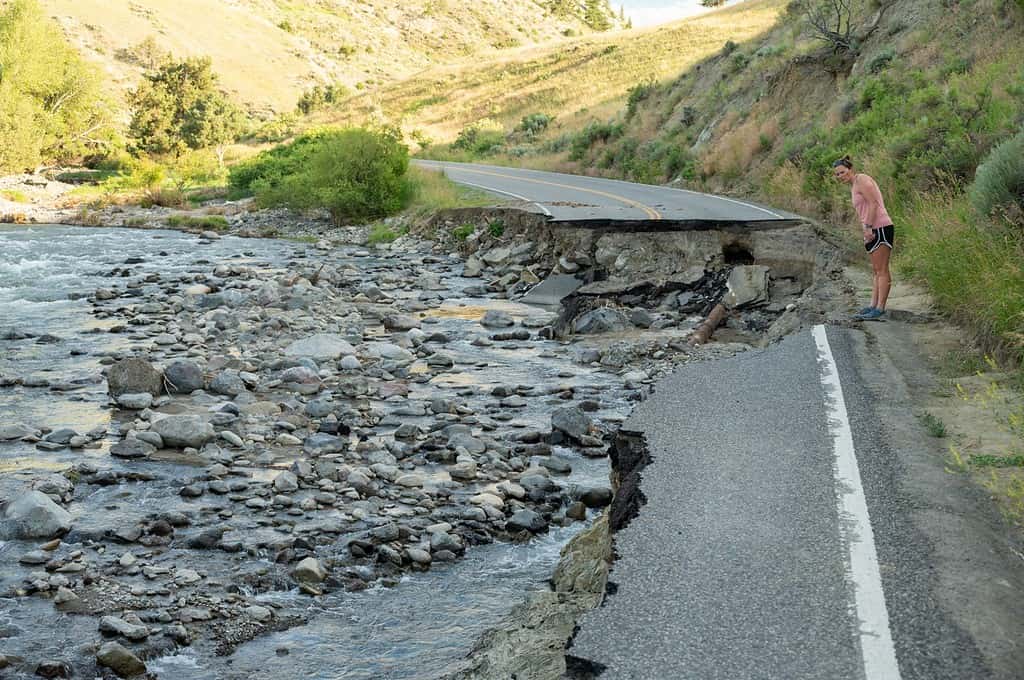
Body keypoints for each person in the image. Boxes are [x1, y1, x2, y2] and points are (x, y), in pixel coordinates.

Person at [833, 155, 894, 320]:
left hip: (880, 227)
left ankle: (880, 308)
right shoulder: (854, 184)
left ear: (850, 169)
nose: (840, 176)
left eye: (842, 172)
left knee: (882, 270)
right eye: (837, 174)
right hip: (871, 229)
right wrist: (865, 230)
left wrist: (868, 227)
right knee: (875, 270)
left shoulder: (862, 180)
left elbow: (874, 204)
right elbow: (864, 211)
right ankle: (872, 305)